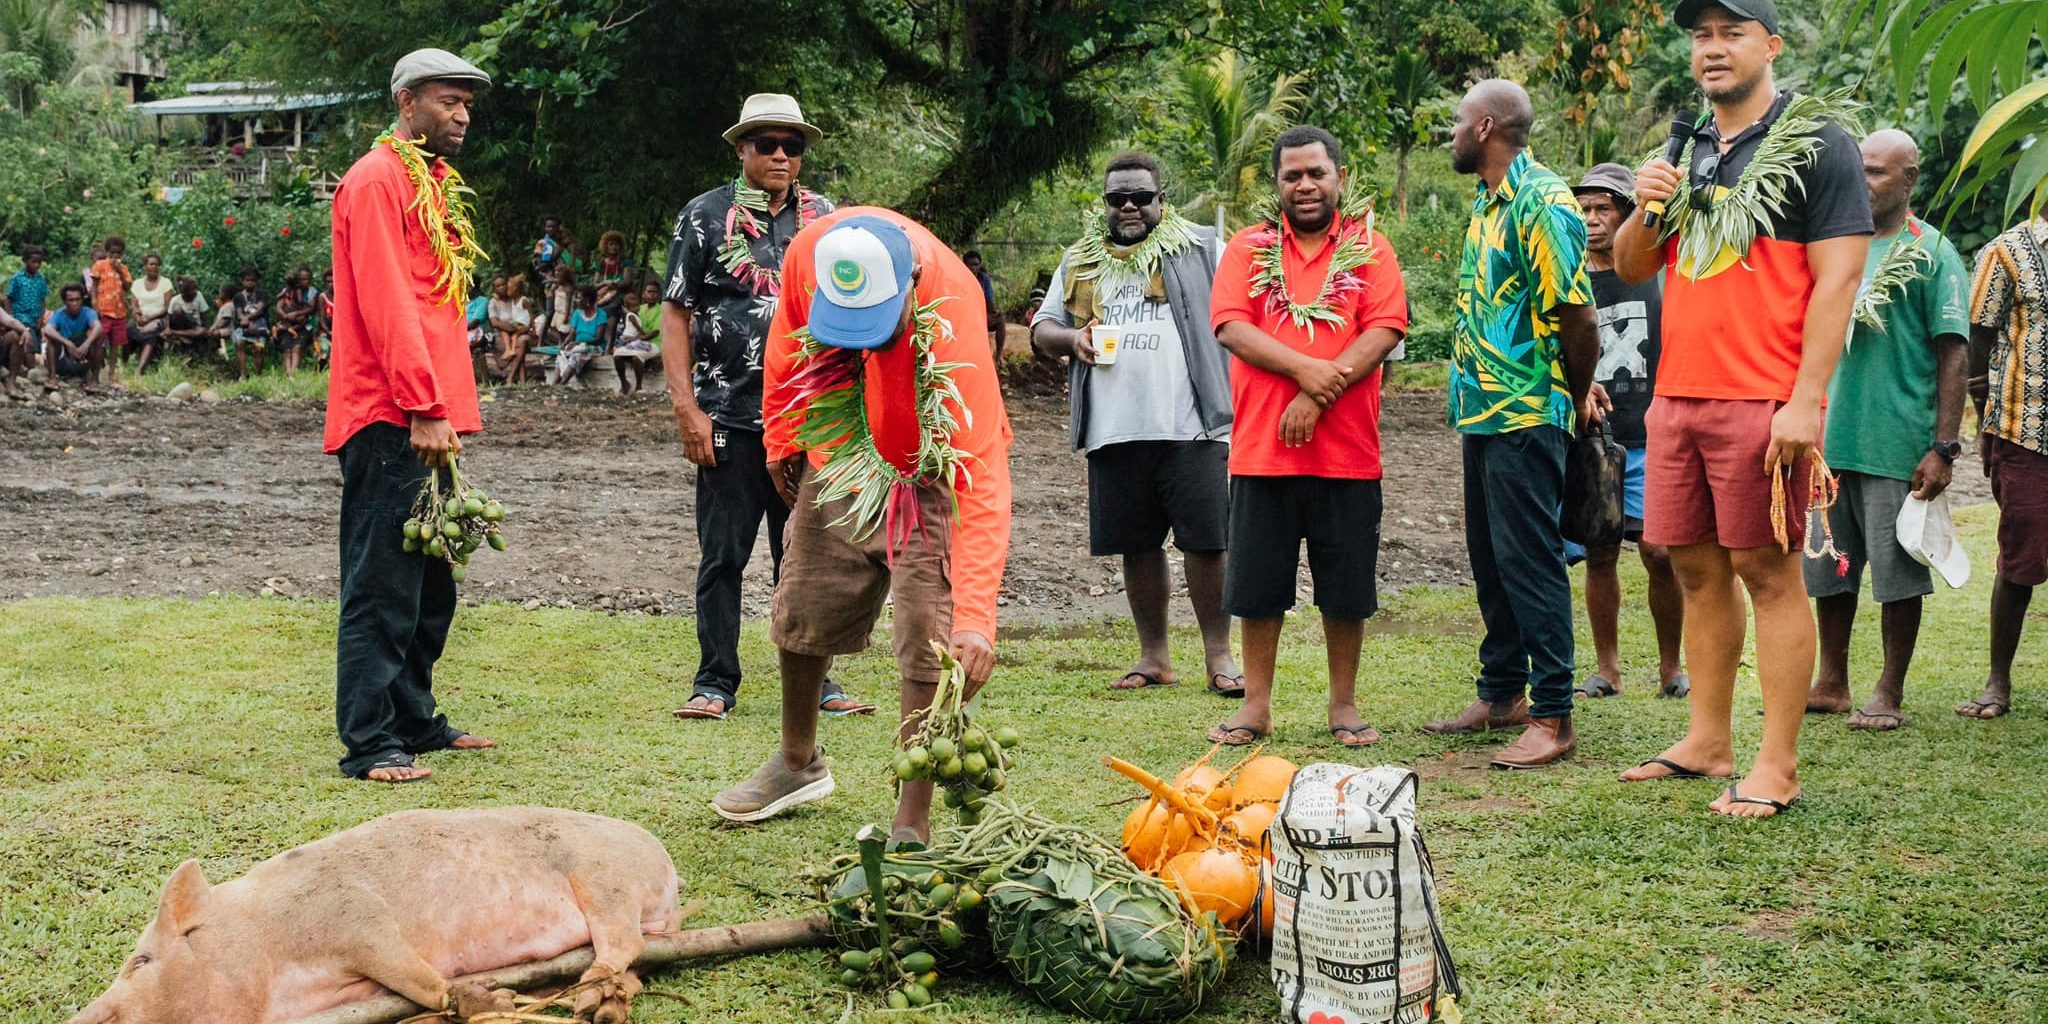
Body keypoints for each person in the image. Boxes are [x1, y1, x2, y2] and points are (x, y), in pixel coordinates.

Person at [1613, 0, 1872, 817]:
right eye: (1701, 35)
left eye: (1731, 32)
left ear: (1772, 44)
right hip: (1677, 395)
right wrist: (1649, 203)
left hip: (1763, 398)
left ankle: (1777, 766)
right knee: (1692, 569)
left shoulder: (1818, 142)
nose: (1713, 48)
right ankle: (1707, 740)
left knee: (1769, 573)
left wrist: (1805, 401)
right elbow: (1630, 265)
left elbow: (1839, 278)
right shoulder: (1685, 147)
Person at [712, 207, 1012, 840]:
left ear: (909, 287)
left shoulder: (954, 315)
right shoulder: (811, 253)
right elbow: (787, 343)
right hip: (841, 441)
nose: (861, 341)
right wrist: (783, 437)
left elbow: (981, 480)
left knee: (929, 630)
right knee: (804, 599)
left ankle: (912, 814)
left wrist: (976, 618)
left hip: (930, 458)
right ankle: (797, 761)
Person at [662, 92, 869, 720]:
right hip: (727, 415)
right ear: (742, 149)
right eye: (767, 144)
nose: (781, 155)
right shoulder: (704, 216)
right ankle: (714, 682)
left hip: (810, 422)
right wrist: (687, 409)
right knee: (723, 556)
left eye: (792, 145)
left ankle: (819, 682)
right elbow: (676, 311)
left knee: (807, 559)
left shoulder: (827, 220)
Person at [323, 47, 498, 784]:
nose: (461, 116)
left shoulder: (429, 181)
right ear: (407, 102)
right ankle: (369, 740)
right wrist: (423, 406)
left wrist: (442, 410)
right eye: (448, 102)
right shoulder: (376, 180)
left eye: (466, 105)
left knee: (431, 585)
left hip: (432, 417)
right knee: (383, 584)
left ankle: (414, 719)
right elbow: (387, 301)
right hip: (392, 412)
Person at [1206, 125, 1408, 748]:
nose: (1305, 185)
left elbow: (1384, 330)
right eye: (1292, 175)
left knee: (1345, 589)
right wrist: (1308, 373)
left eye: (1316, 173)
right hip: (1262, 453)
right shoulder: (1248, 248)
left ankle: (1344, 706)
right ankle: (1255, 708)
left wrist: (1316, 397)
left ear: (1339, 177)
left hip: (1347, 454)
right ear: (1277, 184)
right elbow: (1231, 327)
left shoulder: (1370, 248)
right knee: (1257, 588)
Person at [1420, 81, 1600, 769]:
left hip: (1527, 408)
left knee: (1529, 559)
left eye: (1457, 121)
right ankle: (1502, 694)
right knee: (1491, 557)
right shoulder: (1488, 200)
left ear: (1485, 127)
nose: (1451, 133)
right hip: (1483, 411)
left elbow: (1578, 314)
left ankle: (1554, 713)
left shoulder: (1542, 200)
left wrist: (1572, 396)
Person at [1030, 151, 1243, 698]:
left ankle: (1219, 656)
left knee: (1207, 543)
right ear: (1104, 203)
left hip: (1193, 425)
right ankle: (1154, 658)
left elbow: (1244, 312)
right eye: (1117, 198)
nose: (1129, 207)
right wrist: (1073, 339)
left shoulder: (1202, 248)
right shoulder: (1081, 258)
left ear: (1160, 201)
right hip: (1115, 428)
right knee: (1137, 545)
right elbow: (1042, 328)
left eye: (1141, 197)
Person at [1801, 130, 1969, 731]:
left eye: (1875, 171)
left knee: (1898, 575)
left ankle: (1889, 690)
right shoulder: (1833, 245)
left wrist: (1943, 447)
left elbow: (1954, 352)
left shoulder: (1932, 251)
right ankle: (1831, 681)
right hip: (1829, 440)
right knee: (1829, 566)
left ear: (1909, 179)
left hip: (1896, 443)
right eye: (1858, 169)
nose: (1863, 181)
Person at [1567, 163, 1688, 700]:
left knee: (1660, 552)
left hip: (1651, 432)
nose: (1593, 220)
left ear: (1627, 214)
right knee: (1601, 551)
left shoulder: (1655, 267)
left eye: (1604, 209)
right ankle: (1607, 669)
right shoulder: (1569, 275)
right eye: (1584, 210)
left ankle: (1672, 667)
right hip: (1595, 436)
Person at [1964, 211, 2048, 721]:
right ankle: (1998, 681)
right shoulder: (2006, 252)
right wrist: (1983, 421)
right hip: (2026, 431)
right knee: (2020, 558)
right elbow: (1978, 338)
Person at [41, 283, 107, 393]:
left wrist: (86, 345)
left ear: (82, 300)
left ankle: (94, 381)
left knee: (98, 339)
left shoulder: (89, 313)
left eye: (78, 300)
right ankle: (52, 379)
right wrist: (68, 343)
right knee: (52, 341)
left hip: (83, 359)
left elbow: (98, 327)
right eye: (71, 300)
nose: (75, 303)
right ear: (64, 301)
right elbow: (47, 329)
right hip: (63, 361)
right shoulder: (59, 314)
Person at [89, 236, 133, 381]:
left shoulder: (124, 268)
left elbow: (127, 287)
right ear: (107, 251)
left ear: (122, 253)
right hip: (104, 309)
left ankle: (111, 373)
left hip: (119, 311)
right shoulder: (100, 265)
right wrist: (94, 302)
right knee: (99, 341)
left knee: (115, 344)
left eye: (118, 253)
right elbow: (94, 285)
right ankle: (96, 371)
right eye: (112, 252)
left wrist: (120, 271)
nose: (115, 255)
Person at [127, 253, 172, 375]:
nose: (154, 267)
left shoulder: (166, 283)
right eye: (151, 264)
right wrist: (138, 317)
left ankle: (140, 369)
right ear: (145, 266)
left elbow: (167, 307)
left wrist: (150, 318)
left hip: (158, 318)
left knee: (151, 333)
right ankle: (125, 362)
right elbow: (134, 305)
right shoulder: (137, 283)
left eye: (157, 264)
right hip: (141, 318)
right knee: (128, 328)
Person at [556, 284, 610, 384]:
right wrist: (564, 344)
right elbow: (571, 334)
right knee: (561, 353)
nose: (577, 300)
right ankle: (554, 384)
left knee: (576, 355)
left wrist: (579, 343)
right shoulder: (577, 313)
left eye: (579, 298)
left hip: (594, 347)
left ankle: (562, 384)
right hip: (578, 346)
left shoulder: (601, 314)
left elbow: (599, 339)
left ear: (587, 300)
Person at [487, 273, 535, 384]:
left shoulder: (514, 299)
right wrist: (513, 328)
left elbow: (527, 314)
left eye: (504, 284)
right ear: (494, 289)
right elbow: (495, 322)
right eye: (498, 286)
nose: (502, 288)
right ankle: (520, 380)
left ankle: (512, 377)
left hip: (520, 331)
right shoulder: (493, 303)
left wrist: (526, 328)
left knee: (523, 341)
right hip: (503, 334)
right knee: (520, 346)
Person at [612, 283, 657, 394]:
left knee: (636, 356)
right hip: (635, 341)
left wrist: (635, 339)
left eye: (655, 292)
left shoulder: (661, 310)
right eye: (649, 291)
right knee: (617, 356)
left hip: (653, 343)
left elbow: (655, 332)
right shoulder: (638, 309)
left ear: (659, 294)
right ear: (644, 294)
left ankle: (638, 386)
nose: (652, 295)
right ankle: (624, 383)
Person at [230, 267, 271, 377]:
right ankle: (243, 374)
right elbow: (239, 313)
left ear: (257, 281)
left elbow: (260, 310)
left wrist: (247, 319)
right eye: (247, 280)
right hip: (243, 327)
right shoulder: (238, 297)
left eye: (253, 280)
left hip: (260, 327)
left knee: (258, 348)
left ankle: (258, 375)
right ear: (242, 281)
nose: (250, 282)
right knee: (239, 343)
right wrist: (247, 323)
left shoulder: (262, 294)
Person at [964, 249, 1003, 357]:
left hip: (981, 314)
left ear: (980, 265)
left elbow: (989, 301)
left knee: (1000, 320)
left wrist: (992, 313)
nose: (973, 268)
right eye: (970, 265)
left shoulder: (984, 280)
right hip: (965, 315)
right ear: (965, 265)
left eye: (976, 264)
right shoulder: (961, 278)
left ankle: (999, 355)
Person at [163, 275, 211, 356]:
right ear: (183, 293)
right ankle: (182, 337)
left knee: (201, 331)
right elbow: (168, 315)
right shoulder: (175, 300)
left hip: (194, 326)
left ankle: (176, 333)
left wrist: (207, 328)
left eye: (194, 290)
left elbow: (204, 313)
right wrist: (167, 327)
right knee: (177, 310)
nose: (193, 293)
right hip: (181, 326)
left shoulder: (199, 295)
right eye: (190, 291)